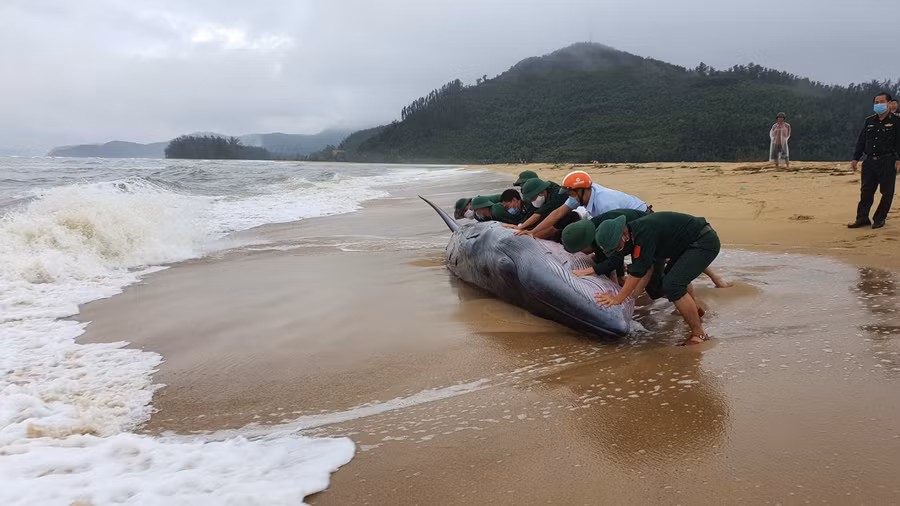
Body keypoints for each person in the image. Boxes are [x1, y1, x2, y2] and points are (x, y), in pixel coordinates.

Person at [593, 212, 721, 346]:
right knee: (672, 276)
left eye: (617, 247)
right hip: (688, 244)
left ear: (623, 234)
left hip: (704, 241)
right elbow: (647, 269)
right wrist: (631, 299)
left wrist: (617, 299)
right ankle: (694, 310)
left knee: (673, 285)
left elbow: (637, 274)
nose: (619, 251)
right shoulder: (636, 234)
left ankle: (699, 334)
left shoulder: (643, 235)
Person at [561, 211, 731, 289]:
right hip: (644, 233)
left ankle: (686, 303)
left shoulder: (609, 232)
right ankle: (687, 299)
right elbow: (613, 259)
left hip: (653, 234)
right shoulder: (598, 230)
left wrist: (622, 295)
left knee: (660, 284)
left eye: (581, 250)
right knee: (680, 259)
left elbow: (616, 259)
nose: (582, 253)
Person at [516, 171, 648, 239]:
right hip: (620, 218)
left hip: (641, 217)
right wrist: (533, 232)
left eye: (570, 193)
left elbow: (616, 233)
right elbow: (557, 213)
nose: (569, 196)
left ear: (580, 191)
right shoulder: (578, 197)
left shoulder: (604, 203)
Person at [848, 92, 900, 230]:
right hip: (870, 161)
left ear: (889, 103)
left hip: (888, 160)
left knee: (887, 192)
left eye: (882, 102)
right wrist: (856, 158)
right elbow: (861, 140)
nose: (879, 104)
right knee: (866, 191)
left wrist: (899, 159)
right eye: (876, 102)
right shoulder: (869, 121)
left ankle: (879, 218)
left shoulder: (896, 121)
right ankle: (862, 218)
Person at [509, 177, 581, 240]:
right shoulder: (547, 192)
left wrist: (528, 231)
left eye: (533, 198)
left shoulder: (558, 196)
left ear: (542, 192)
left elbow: (551, 215)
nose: (532, 201)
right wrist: (528, 229)